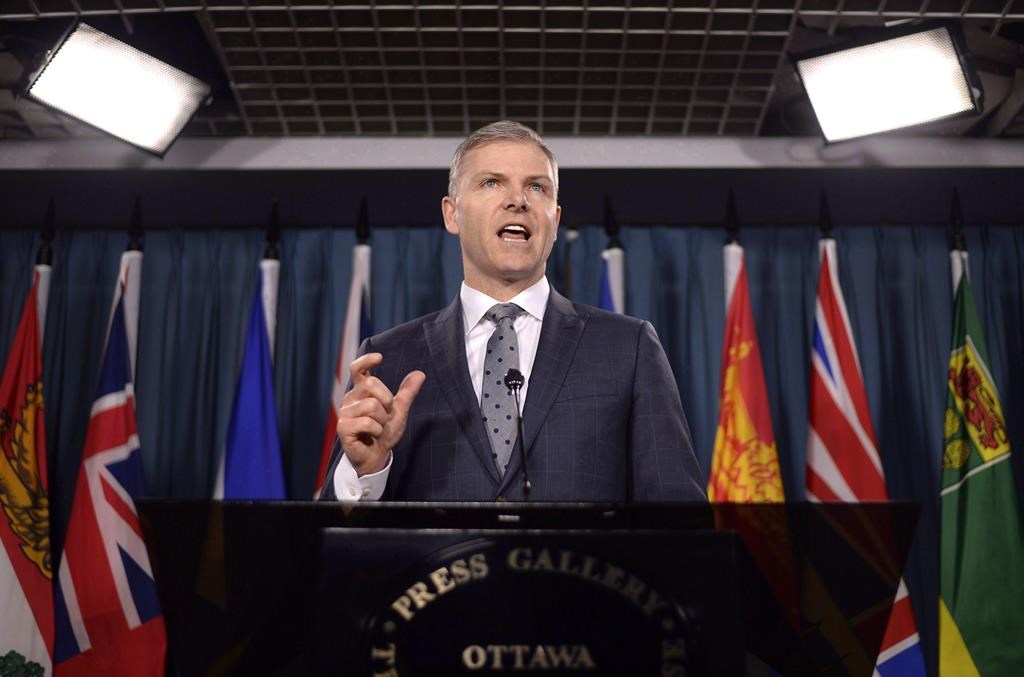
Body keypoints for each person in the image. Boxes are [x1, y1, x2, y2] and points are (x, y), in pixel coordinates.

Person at [320, 121, 705, 502]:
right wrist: (367, 473)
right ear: (452, 214)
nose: (518, 200)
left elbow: (678, 516)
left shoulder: (627, 347)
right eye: (492, 183)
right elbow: (331, 534)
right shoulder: (389, 359)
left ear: (555, 220)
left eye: (537, 187)